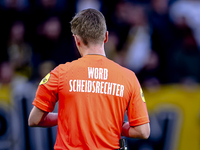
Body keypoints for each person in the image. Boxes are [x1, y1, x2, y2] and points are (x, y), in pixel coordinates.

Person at [28, 8, 150, 150]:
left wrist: (63, 116)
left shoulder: (59, 73)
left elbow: (34, 119)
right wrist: (116, 125)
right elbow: (143, 131)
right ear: (106, 37)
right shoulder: (129, 77)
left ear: (76, 39)